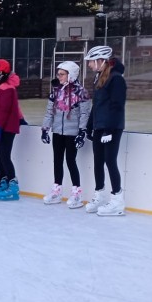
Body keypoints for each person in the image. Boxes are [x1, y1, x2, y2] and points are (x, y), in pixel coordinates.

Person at [41, 61, 91, 208]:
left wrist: (82, 132)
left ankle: (76, 194)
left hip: (72, 132)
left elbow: (84, 114)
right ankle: (56, 191)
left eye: (62, 74)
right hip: (58, 131)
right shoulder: (56, 91)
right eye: (58, 74)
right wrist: (45, 129)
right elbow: (49, 112)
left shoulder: (81, 92)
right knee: (57, 161)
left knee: (70, 160)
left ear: (71, 75)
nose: (59, 77)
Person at [85, 45, 127, 216]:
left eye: (91, 61)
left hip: (112, 127)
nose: (89, 65)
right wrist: (89, 126)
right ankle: (100, 195)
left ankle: (117, 200)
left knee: (110, 161)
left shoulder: (116, 79)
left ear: (101, 61)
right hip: (99, 126)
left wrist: (109, 130)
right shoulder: (99, 78)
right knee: (98, 162)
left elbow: (117, 106)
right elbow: (97, 105)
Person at [0, 59, 23, 201]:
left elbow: (4, 110)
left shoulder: (7, 88)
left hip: (6, 128)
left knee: (4, 156)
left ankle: (13, 185)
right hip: (0, 126)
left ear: (0, 73)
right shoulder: (0, 87)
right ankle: (4, 180)